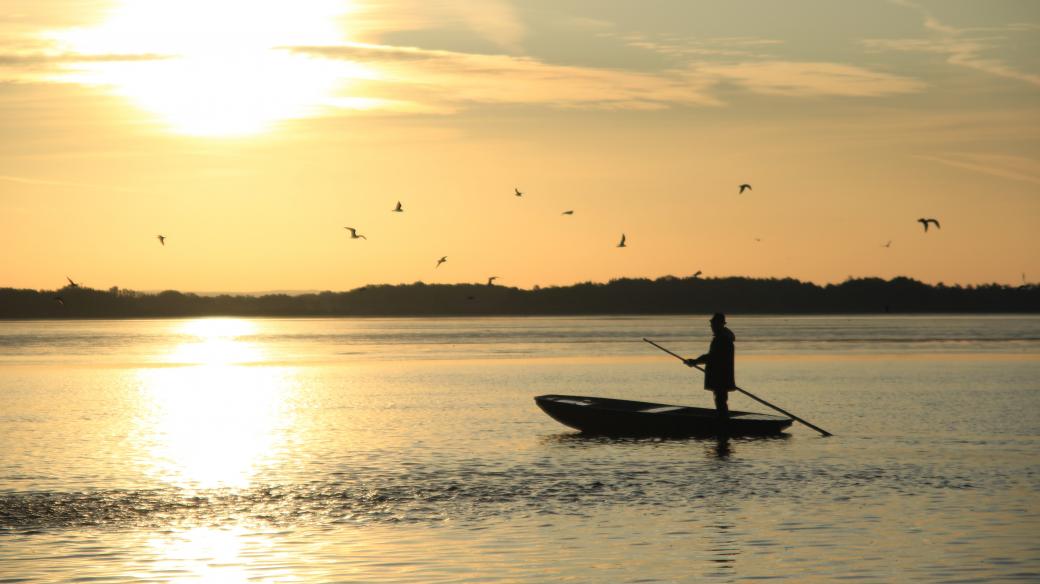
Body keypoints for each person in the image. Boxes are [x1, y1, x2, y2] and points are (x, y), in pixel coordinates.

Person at [684, 313, 736, 418]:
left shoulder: (722, 339)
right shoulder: (723, 337)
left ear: (720, 324)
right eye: (712, 325)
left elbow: (713, 357)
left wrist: (695, 361)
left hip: (720, 376)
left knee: (720, 399)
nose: (712, 327)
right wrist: (696, 361)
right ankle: (723, 419)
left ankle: (723, 422)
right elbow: (713, 357)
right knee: (720, 399)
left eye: (714, 324)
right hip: (722, 375)